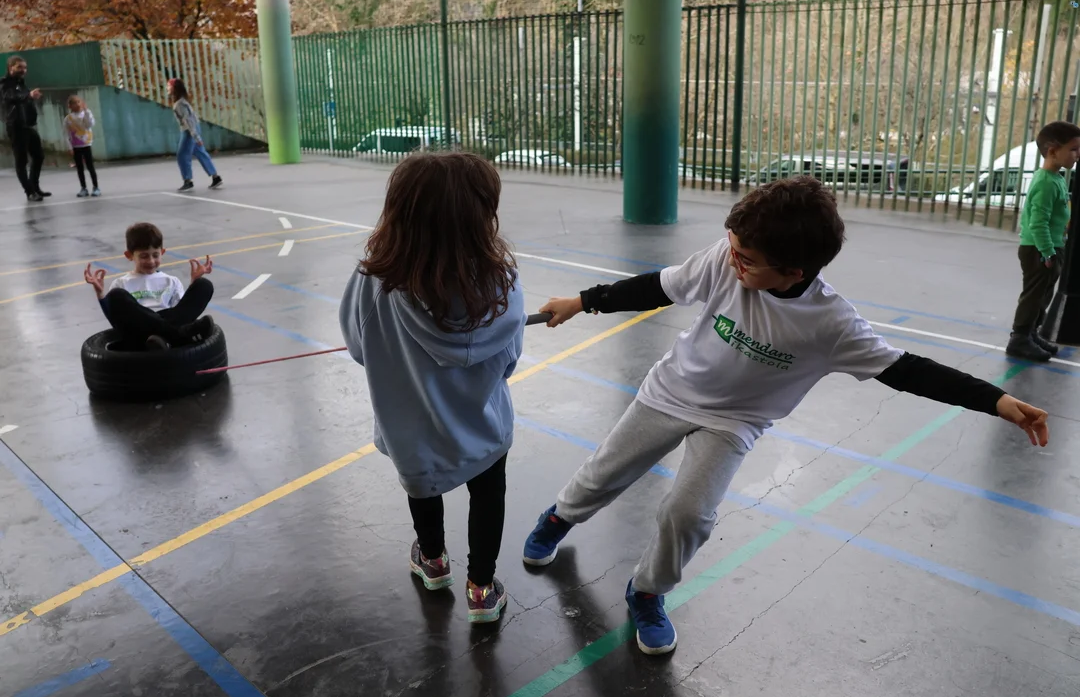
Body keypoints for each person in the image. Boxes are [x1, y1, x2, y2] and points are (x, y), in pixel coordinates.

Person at [521, 176, 1051, 656]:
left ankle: (647, 592)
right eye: (733, 248)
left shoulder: (832, 325)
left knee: (688, 514)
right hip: (670, 392)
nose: (734, 261)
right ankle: (558, 518)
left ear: (793, 272)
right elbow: (659, 286)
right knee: (604, 474)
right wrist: (584, 300)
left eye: (747, 259)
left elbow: (907, 370)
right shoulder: (726, 258)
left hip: (735, 422)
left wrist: (996, 400)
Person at [338, 152, 525, 624]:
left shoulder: (373, 280)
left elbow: (358, 347)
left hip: (410, 425)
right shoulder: (501, 282)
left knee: (421, 483)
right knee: (489, 492)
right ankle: (482, 589)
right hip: (484, 423)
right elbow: (509, 361)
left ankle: (434, 560)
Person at [1006, 120, 1080, 362]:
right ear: (1052, 151)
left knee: (1043, 295)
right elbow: (1038, 222)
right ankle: (1019, 339)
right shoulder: (1046, 182)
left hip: (1051, 246)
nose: (1077, 154)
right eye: (1073, 149)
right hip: (1038, 249)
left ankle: (1031, 333)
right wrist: (1047, 252)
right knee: (1033, 296)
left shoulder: (1056, 178)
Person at [84, 222, 216, 350]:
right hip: (139, 331)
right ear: (129, 255)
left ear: (162, 252)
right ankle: (178, 337)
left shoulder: (171, 281)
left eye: (155, 255)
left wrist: (194, 281)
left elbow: (183, 313)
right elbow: (116, 322)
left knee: (204, 285)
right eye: (144, 256)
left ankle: (166, 339)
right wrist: (100, 294)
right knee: (116, 295)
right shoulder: (122, 283)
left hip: (167, 320)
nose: (151, 261)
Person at [0, 56, 48, 202]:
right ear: (11, 68)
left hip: (27, 125)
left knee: (38, 156)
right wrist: (29, 95)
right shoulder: (5, 84)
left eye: (25, 67)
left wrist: (30, 97)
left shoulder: (21, 84)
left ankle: (35, 186)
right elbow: (10, 98)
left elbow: (24, 98)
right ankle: (29, 192)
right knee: (21, 161)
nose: (23, 70)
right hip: (15, 126)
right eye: (19, 67)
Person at [167, 78, 223, 192]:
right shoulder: (182, 101)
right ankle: (216, 177)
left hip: (189, 131)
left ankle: (188, 181)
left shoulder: (179, 104)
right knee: (200, 152)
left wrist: (196, 137)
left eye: (169, 86)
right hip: (193, 128)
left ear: (174, 88)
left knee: (182, 155)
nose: (167, 88)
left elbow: (189, 120)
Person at [64, 95, 100, 198]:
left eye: (78, 102)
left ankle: (96, 187)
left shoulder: (86, 113)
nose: (77, 105)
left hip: (86, 144)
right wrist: (69, 147)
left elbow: (89, 124)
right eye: (74, 103)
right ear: (70, 106)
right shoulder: (68, 118)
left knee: (90, 166)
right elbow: (66, 133)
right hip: (76, 146)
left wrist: (87, 112)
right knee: (79, 168)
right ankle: (83, 188)